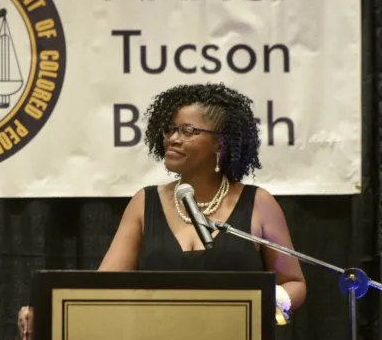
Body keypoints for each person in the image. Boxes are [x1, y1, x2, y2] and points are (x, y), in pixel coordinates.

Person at [18, 82, 306, 339]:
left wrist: (267, 307)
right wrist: (45, 314)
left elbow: (293, 282)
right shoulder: (145, 203)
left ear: (221, 142)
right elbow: (102, 288)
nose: (173, 138)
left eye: (188, 131)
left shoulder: (258, 203)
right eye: (170, 129)